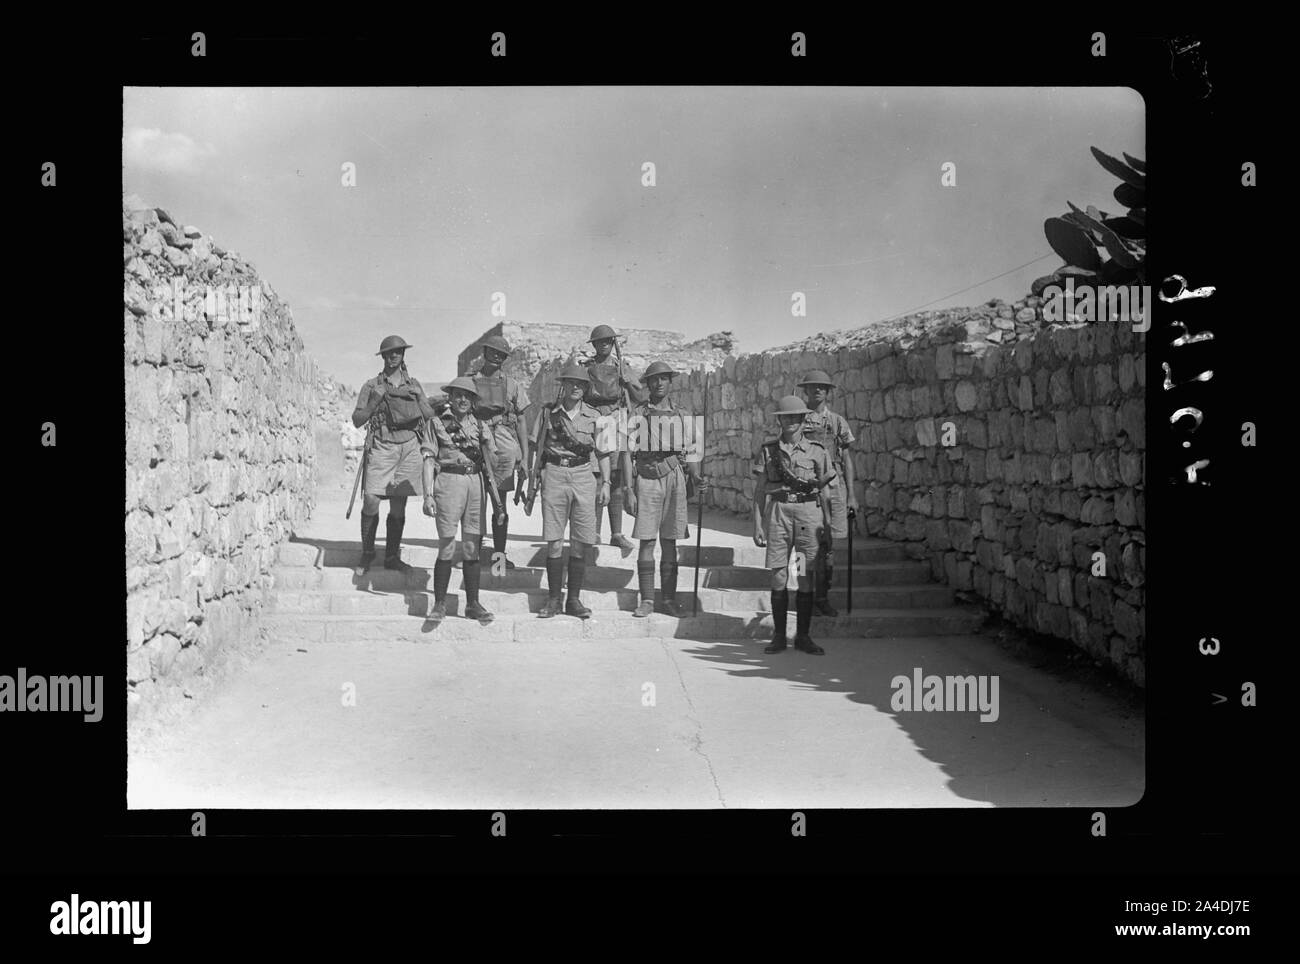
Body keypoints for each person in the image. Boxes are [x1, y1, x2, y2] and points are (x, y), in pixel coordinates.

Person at [751, 395, 836, 655]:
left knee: (803, 574)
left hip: (806, 517)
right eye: (784, 417)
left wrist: (828, 527)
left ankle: (803, 636)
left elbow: (825, 493)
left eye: (794, 417)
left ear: (802, 419)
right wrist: (757, 524)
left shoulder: (817, 451)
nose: (789, 422)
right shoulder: (769, 451)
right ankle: (778, 636)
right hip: (778, 516)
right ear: (780, 421)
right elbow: (760, 491)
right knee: (779, 573)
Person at [527, 362, 612, 619]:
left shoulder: (599, 417)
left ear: (586, 388)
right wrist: (533, 480)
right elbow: (537, 448)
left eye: (581, 384)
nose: (576, 388)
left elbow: (604, 453)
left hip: (584, 475)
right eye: (571, 383)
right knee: (554, 540)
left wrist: (606, 483)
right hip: (554, 474)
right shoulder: (547, 413)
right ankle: (553, 599)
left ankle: (573, 600)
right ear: (562, 385)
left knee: (580, 541)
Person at [622, 360, 706, 617]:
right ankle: (647, 600)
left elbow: (693, 450)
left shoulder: (684, 415)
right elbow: (626, 453)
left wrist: (697, 477)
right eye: (654, 379)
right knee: (647, 541)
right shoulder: (637, 414)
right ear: (647, 384)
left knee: (670, 542)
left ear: (671, 383)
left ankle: (668, 600)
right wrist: (628, 489)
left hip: (674, 477)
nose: (659, 383)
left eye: (664, 379)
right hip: (646, 477)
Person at [350, 335, 435, 575]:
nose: (393, 356)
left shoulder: (414, 384)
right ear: (383, 357)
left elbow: (430, 417)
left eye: (397, 352)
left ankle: (391, 556)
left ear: (403, 355)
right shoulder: (371, 385)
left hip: (409, 445)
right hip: (383, 444)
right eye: (389, 353)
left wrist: (419, 397)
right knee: (371, 500)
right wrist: (373, 402)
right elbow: (357, 420)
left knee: (399, 504)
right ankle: (367, 552)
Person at [421, 376, 500, 624]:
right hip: (449, 482)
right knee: (446, 543)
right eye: (458, 395)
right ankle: (440, 603)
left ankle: (473, 603)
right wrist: (428, 495)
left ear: (473, 400)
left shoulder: (480, 425)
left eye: (468, 396)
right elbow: (428, 460)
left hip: (475, 483)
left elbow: (493, 460)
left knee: (471, 545)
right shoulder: (437, 423)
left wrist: (489, 451)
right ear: (451, 398)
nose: (463, 400)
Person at [797, 370, 859, 616]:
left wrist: (852, 495)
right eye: (813, 387)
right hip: (807, 485)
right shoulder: (797, 418)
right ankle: (803, 594)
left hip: (833, 486)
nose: (817, 391)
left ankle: (822, 597)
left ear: (828, 391)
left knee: (829, 545)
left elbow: (846, 458)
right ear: (806, 391)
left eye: (822, 387)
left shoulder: (836, 421)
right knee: (803, 544)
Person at [583, 324, 647, 552]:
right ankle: (596, 531)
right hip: (593, 419)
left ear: (612, 344)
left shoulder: (622, 366)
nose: (604, 345)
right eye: (600, 342)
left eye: (608, 341)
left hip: (616, 418)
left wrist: (626, 379)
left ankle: (617, 533)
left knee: (618, 475)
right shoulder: (586, 368)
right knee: (597, 475)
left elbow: (639, 396)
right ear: (594, 345)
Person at [471, 334, 532, 570]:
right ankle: (472, 554)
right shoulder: (471, 382)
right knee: (476, 500)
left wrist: (525, 458)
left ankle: (499, 557)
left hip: (504, 442)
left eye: (501, 354)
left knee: (501, 503)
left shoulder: (512, 385)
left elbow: (521, 422)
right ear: (485, 353)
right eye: (493, 352)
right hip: (476, 438)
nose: (496, 357)